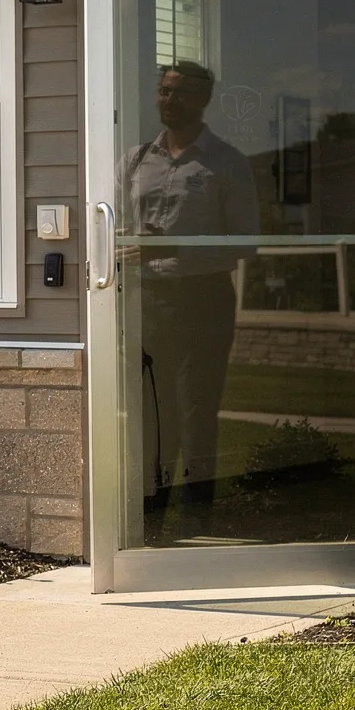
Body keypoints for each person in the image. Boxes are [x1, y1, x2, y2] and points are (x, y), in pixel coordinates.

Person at [121, 60, 258, 537]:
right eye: (162, 91)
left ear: (202, 100)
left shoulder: (225, 162)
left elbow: (246, 242)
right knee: (153, 414)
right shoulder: (136, 160)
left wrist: (171, 245)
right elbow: (116, 230)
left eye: (178, 93)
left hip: (203, 297)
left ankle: (197, 526)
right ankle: (151, 524)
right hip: (149, 299)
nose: (166, 100)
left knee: (197, 411)